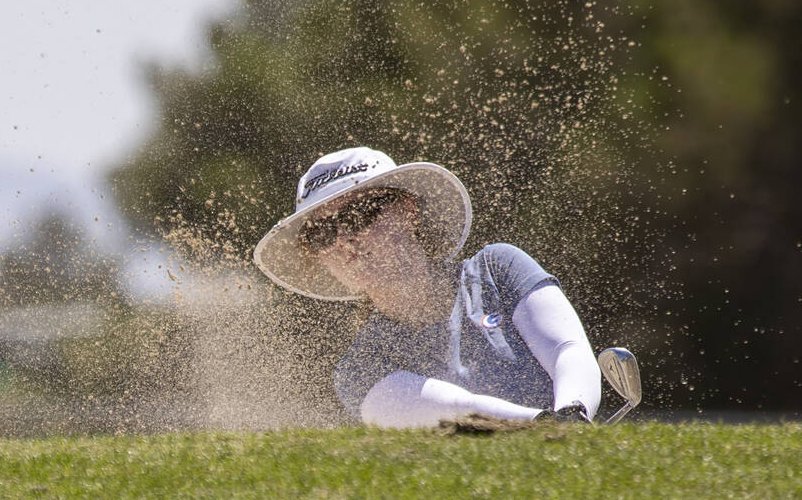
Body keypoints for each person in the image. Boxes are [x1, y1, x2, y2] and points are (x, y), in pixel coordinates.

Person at [253, 146, 601, 427]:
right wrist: (555, 428)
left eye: (357, 216)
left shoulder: (497, 267)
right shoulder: (359, 368)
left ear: (406, 211)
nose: (345, 240)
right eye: (323, 233)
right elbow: (459, 412)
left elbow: (567, 350)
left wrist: (574, 412)